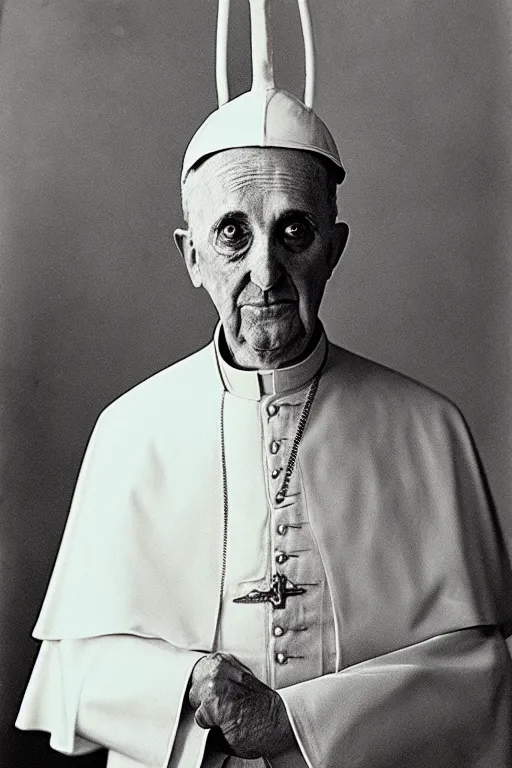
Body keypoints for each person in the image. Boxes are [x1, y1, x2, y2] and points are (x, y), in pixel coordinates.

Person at [16, 1, 512, 766]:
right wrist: (193, 681)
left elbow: (482, 677)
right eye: (233, 234)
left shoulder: (427, 429)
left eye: (294, 230)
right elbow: (69, 674)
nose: (266, 272)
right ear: (191, 257)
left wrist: (299, 723)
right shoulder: (129, 430)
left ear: (335, 247)